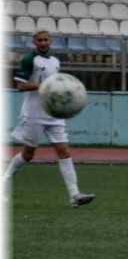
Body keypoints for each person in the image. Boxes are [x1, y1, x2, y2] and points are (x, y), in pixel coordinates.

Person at [3, 30, 96, 208]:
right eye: (40, 40)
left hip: (54, 112)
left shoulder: (55, 61)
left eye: (46, 40)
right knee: (28, 154)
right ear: (34, 42)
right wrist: (45, 86)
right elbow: (21, 86)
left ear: (50, 41)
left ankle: (75, 194)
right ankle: (5, 180)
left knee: (64, 151)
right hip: (34, 113)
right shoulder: (29, 60)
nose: (43, 43)